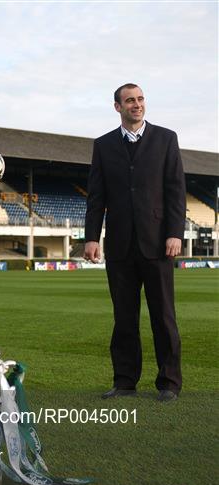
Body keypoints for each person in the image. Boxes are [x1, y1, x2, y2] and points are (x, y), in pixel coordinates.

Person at [84, 83, 186, 402]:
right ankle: (125, 380)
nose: (137, 104)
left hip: (158, 243)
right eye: (130, 100)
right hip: (119, 245)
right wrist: (91, 237)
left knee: (163, 316)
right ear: (118, 107)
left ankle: (169, 382)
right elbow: (96, 196)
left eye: (140, 99)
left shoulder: (166, 139)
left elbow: (175, 190)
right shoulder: (103, 145)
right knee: (124, 318)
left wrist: (175, 232)